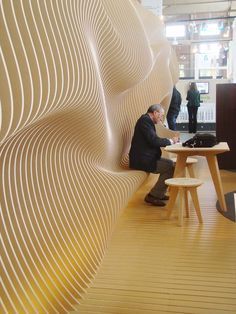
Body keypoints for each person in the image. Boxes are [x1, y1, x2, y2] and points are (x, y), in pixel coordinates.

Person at [129, 104, 179, 206]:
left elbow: (153, 140)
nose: (161, 118)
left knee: (171, 165)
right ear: (155, 113)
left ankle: (158, 193)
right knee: (170, 167)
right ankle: (153, 196)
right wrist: (171, 141)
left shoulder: (146, 121)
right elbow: (154, 141)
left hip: (145, 158)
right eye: (161, 115)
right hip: (142, 160)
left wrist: (169, 141)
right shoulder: (144, 121)